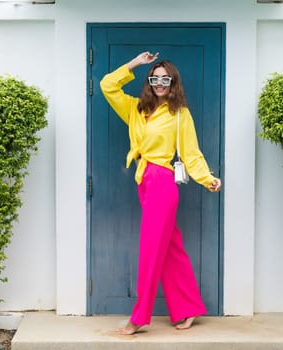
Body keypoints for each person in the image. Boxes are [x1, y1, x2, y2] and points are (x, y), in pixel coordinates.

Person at [100, 51, 222, 335]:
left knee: (152, 249)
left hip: (163, 181)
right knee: (169, 249)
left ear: (173, 82)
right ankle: (188, 308)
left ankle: (140, 317)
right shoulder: (136, 109)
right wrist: (133, 64)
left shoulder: (180, 114)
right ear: (149, 81)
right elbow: (107, 85)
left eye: (165, 79)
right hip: (144, 180)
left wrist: (207, 179)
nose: (159, 83)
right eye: (154, 78)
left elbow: (191, 153)